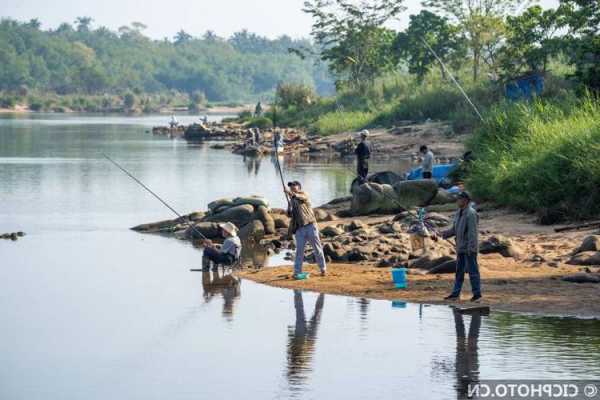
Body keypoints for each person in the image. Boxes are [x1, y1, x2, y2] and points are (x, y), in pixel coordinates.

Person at [436, 191, 482, 302]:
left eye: (459, 199)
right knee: (459, 272)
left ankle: (477, 295)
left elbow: (472, 233)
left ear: (465, 200)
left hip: (469, 249)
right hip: (460, 248)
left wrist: (471, 248)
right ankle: (455, 294)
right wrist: (442, 234)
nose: (457, 201)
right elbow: (454, 230)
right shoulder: (458, 213)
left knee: (473, 271)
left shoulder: (471, 214)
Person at [285, 181, 327, 279]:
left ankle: (323, 269)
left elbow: (301, 198)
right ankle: (297, 272)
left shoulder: (304, 194)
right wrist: (289, 205)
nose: (291, 187)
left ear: (299, 187)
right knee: (299, 251)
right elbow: (289, 214)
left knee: (317, 248)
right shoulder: (292, 199)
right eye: (290, 186)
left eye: (293, 185)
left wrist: (291, 194)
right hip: (299, 229)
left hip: (310, 226)